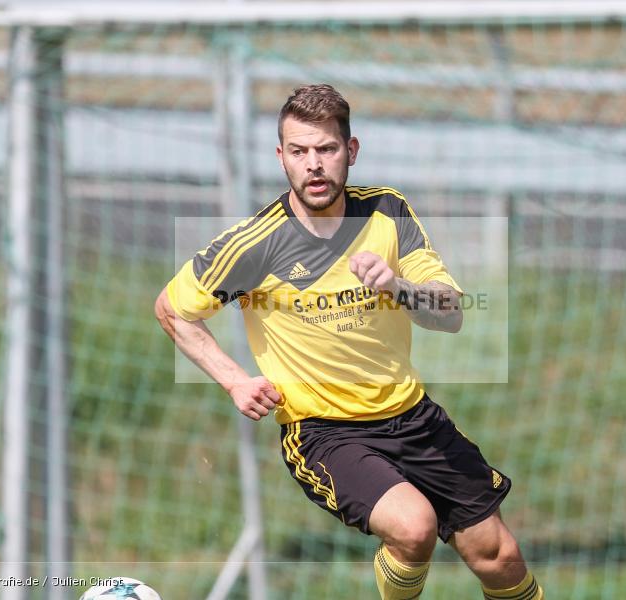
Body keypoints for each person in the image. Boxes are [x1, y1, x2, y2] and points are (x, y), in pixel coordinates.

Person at [155, 84, 543, 600]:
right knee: (413, 527)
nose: (313, 165)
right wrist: (233, 381)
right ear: (281, 157)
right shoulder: (256, 245)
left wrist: (395, 286)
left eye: (326, 149)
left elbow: (450, 316)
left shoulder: (386, 211)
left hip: (413, 416)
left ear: (351, 151)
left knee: (500, 558)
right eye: (299, 152)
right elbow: (172, 310)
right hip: (326, 433)